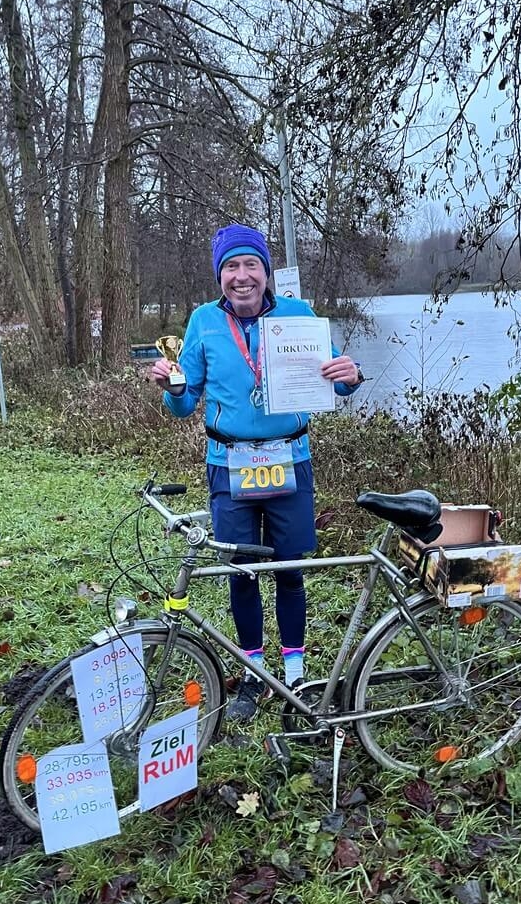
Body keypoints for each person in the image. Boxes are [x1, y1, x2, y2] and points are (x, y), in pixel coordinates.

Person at [150, 223, 364, 721]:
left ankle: (295, 674)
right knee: (240, 573)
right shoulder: (203, 321)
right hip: (229, 464)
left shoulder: (299, 315)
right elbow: (183, 404)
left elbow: (336, 379)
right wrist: (174, 387)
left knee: (289, 570)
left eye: (251, 266)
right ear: (219, 276)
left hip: (290, 459)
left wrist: (350, 377)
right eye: (231, 267)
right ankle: (252, 674)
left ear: (266, 274)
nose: (241, 277)